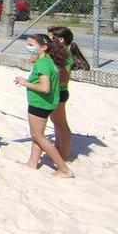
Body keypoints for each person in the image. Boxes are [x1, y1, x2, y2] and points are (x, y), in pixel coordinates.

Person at [14, 34, 74, 178]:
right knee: (37, 134)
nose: (28, 47)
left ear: (43, 47)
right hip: (45, 102)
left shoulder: (43, 64)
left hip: (40, 103)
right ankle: (32, 162)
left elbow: (45, 88)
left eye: (31, 45)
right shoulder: (48, 60)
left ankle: (64, 169)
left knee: (39, 136)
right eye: (27, 44)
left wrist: (25, 82)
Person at [47, 26, 90, 160]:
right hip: (57, 92)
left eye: (51, 38)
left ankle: (64, 155)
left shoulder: (65, 55)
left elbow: (64, 78)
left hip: (59, 93)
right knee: (56, 122)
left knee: (61, 124)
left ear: (60, 39)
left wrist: (47, 82)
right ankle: (58, 148)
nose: (48, 41)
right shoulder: (59, 53)